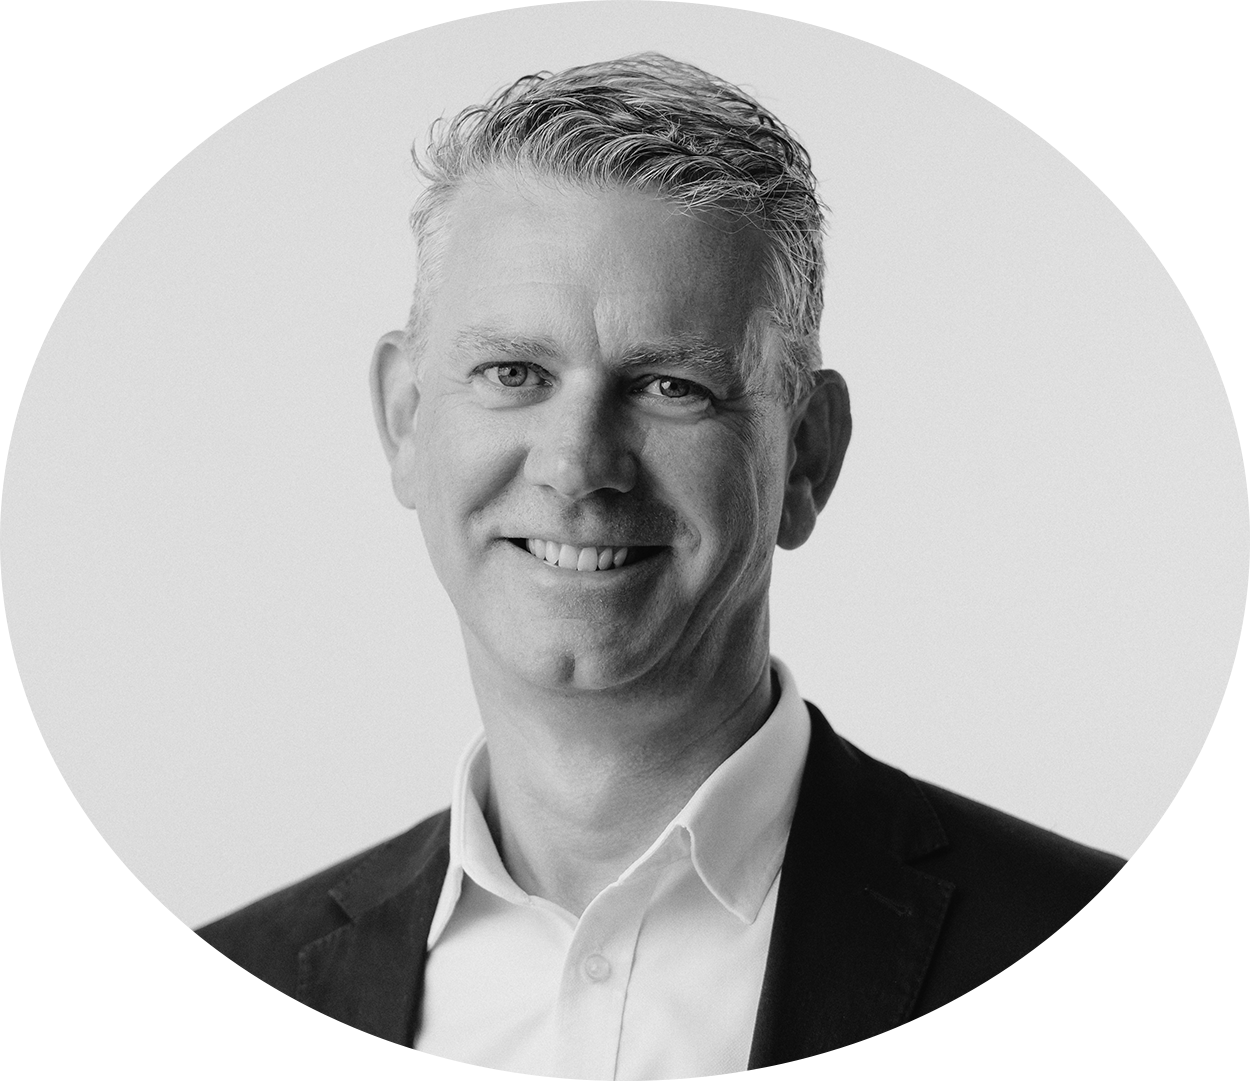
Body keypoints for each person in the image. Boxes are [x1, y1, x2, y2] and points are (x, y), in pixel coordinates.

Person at [198, 53, 1124, 1077]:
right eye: (513, 371)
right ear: (406, 421)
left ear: (805, 456)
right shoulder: (222, 999)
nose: (575, 465)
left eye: (671, 385)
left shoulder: (1100, 958)